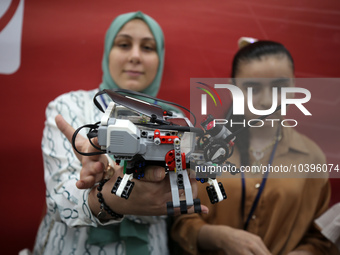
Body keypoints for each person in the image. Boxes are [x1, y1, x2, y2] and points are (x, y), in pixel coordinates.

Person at [33, 11, 204, 255]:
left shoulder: (178, 122)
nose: (135, 56)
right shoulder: (68, 107)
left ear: (160, 58)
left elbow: (182, 194)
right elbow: (58, 201)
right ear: (107, 53)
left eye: (147, 48)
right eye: (124, 44)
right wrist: (108, 195)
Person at [171, 39, 338, 255]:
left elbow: (320, 237)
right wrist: (218, 236)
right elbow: (179, 222)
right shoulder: (203, 147)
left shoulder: (311, 156)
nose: (267, 100)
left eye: (279, 86)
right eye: (252, 88)